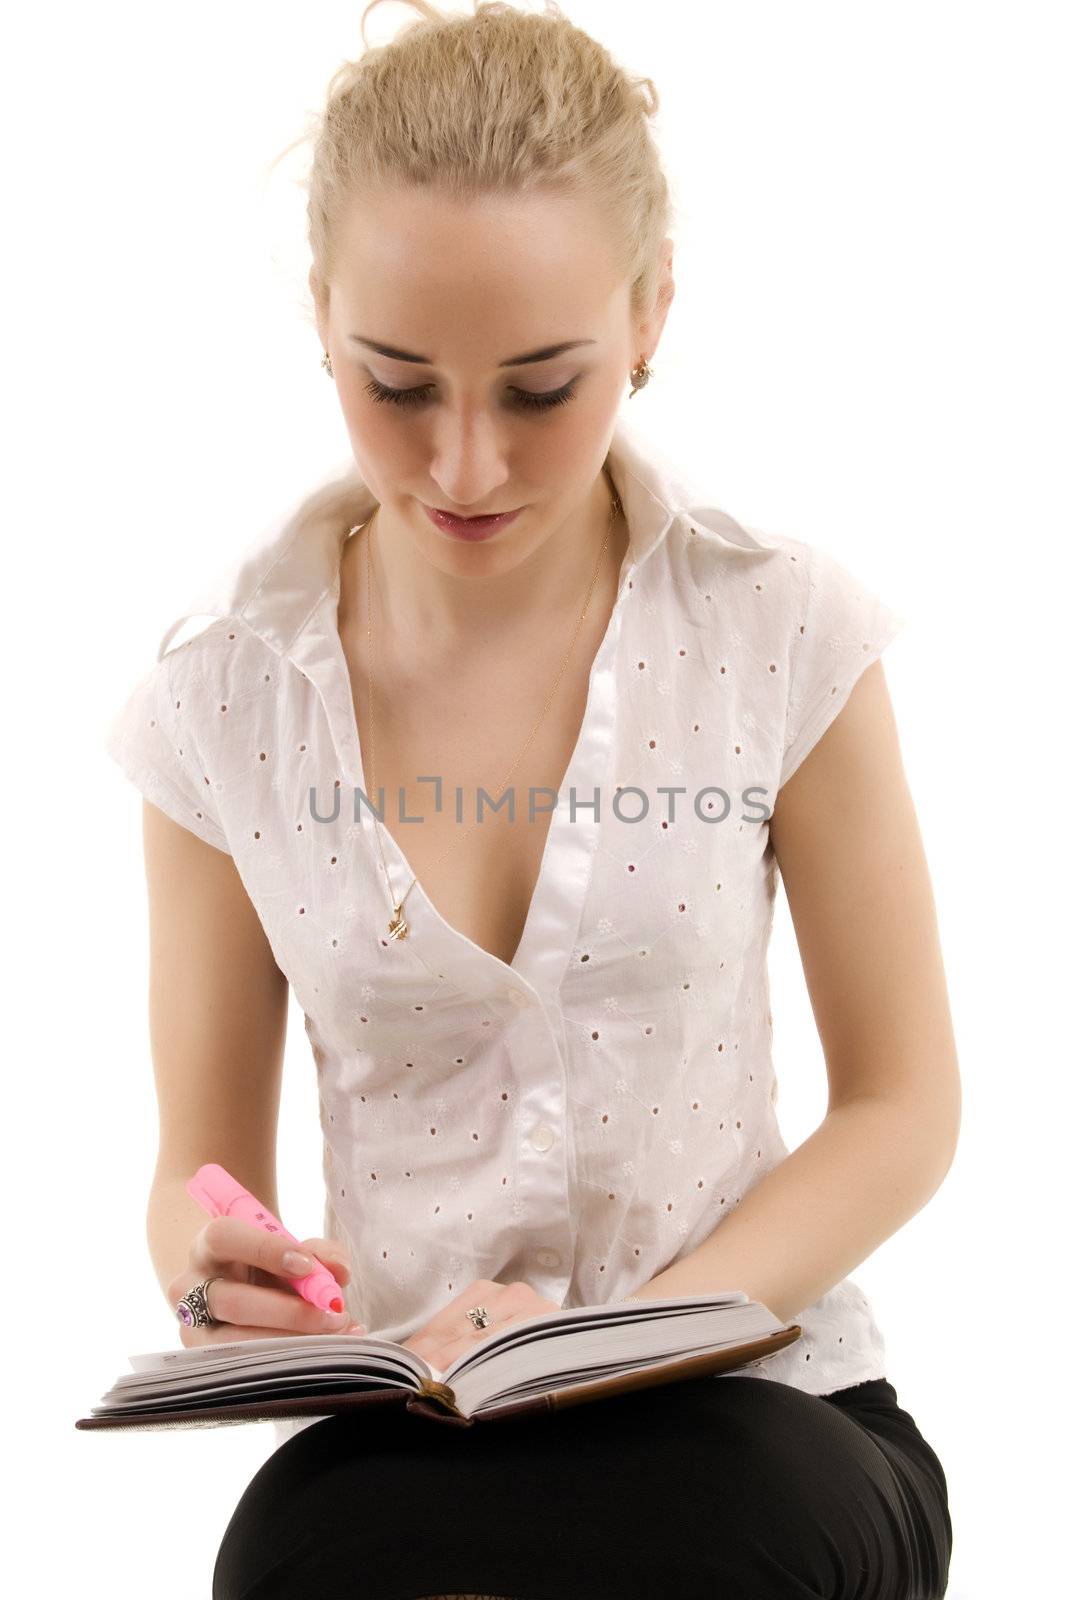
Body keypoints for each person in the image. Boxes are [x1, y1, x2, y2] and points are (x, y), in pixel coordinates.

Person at [104, 2, 959, 1596]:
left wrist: (631, 1334)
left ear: (649, 313)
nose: (468, 465)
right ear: (320, 318)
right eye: (400, 384)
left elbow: (904, 1110)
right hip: (417, 1426)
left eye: (544, 389)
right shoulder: (218, 708)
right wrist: (217, 1273)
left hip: (765, 1399)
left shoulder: (783, 630)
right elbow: (196, 1174)